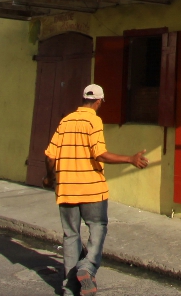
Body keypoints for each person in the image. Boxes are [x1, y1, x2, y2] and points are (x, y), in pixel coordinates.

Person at [44, 84, 149, 296]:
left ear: (83, 99)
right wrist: (130, 159)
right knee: (98, 227)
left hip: (65, 189)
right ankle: (87, 267)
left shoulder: (65, 121)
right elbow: (99, 154)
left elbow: (49, 155)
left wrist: (50, 177)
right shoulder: (94, 121)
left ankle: (69, 287)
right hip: (92, 189)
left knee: (71, 235)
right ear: (99, 101)